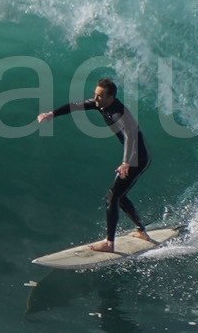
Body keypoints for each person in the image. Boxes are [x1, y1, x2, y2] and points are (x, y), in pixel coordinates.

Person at [38, 76, 156, 253]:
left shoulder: (119, 113)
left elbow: (130, 136)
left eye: (100, 96)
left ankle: (109, 243)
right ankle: (141, 231)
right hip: (136, 155)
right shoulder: (100, 104)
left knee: (112, 197)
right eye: (95, 94)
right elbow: (75, 105)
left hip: (137, 158)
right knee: (120, 196)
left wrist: (126, 163)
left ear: (111, 98)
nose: (96, 99)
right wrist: (51, 114)